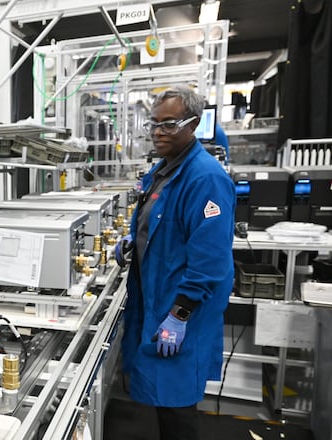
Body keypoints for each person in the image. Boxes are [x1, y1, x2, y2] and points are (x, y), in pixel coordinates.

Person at [114, 85, 235, 440]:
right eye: (154, 124)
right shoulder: (165, 171)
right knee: (164, 402)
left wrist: (180, 315)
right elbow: (162, 225)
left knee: (178, 406)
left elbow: (211, 260)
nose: (157, 132)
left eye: (169, 124)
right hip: (158, 299)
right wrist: (134, 241)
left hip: (180, 310)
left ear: (193, 124)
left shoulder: (205, 178)